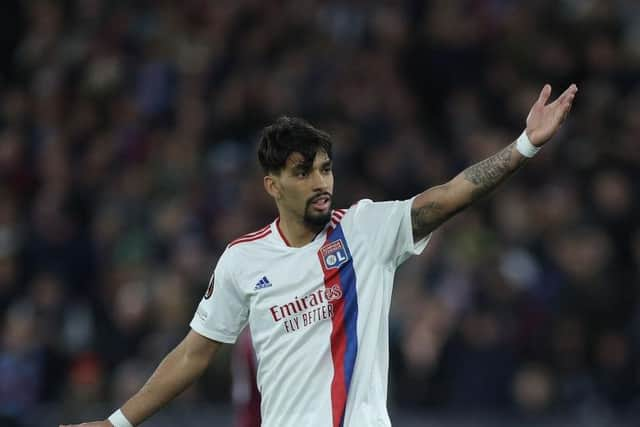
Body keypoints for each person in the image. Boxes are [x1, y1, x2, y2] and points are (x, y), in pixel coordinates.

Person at [60, 83, 578, 427]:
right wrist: (117, 422)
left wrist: (525, 145)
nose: (320, 181)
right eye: (303, 172)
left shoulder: (366, 230)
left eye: (325, 168)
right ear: (272, 184)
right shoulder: (243, 261)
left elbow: (450, 194)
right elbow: (195, 354)